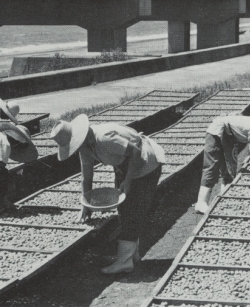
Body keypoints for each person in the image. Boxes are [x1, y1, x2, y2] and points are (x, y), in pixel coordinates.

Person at [50, 114, 165, 274]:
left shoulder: (104, 138)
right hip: (124, 165)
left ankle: (124, 262)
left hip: (144, 163)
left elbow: (136, 153)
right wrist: (86, 204)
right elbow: (86, 176)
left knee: (133, 210)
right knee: (124, 209)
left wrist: (128, 180)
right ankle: (132, 256)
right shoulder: (85, 148)